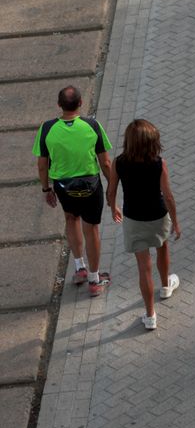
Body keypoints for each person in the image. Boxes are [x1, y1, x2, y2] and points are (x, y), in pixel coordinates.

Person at [33, 85, 113, 297]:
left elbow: (42, 165)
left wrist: (46, 189)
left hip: (63, 187)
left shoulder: (47, 128)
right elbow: (105, 162)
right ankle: (95, 281)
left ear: (59, 105)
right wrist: (112, 188)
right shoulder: (92, 125)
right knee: (92, 229)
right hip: (91, 186)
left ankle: (79, 268)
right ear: (80, 104)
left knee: (71, 219)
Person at [107, 119, 181, 331]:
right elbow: (168, 196)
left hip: (134, 219)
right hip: (158, 216)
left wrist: (113, 208)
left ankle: (150, 316)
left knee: (143, 267)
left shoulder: (119, 163)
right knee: (162, 247)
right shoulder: (159, 163)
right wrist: (175, 222)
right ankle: (166, 286)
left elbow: (111, 190)